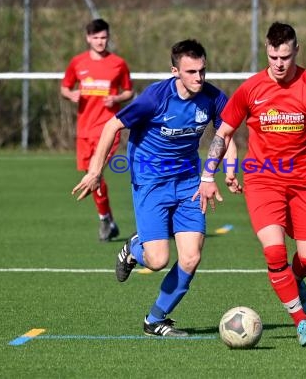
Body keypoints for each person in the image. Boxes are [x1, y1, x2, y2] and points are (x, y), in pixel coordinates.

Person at [194, 22, 306, 346]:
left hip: (303, 183)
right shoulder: (251, 89)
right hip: (263, 181)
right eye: (273, 56)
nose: (279, 63)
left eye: (285, 56)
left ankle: (295, 278)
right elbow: (223, 134)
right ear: (267, 51)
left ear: (296, 51)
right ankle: (301, 322)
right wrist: (209, 175)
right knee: (274, 251)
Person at [72, 39, 238, 337]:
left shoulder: (212, 97)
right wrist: (95, 171)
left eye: (202, 70)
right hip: (150, 181)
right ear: (176, 71)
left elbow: (225, 134)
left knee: (191, 257)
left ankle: (156, 319)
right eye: (191, 72)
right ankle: (135, 248)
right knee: (158, 260)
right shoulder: (155, 98)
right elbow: (112, 126)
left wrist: (226, 171)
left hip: (189, 181)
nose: (199, 77)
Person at [61, 18, 134, 241]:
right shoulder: (77, 63)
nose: (100, 41)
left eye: (103, 37)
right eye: (96, 38)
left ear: (108, 37)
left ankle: (156, 219)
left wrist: (117, 97)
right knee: (91, 176)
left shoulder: (118, 63)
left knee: (96, 172)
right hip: (84, 130)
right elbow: (65, 86)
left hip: (108, 129)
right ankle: (106, 219)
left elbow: (129, 92)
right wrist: (70, 94)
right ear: (88, 38)